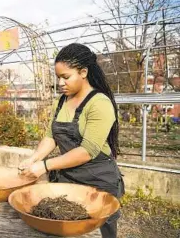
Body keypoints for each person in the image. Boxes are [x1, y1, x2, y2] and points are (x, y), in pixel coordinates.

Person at [19, 43, 125, 238]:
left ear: (83, 72)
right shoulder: (61, 102)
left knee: (100, 232)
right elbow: (52, 136)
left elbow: (87, 151)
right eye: (58, 77)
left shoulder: (99, 103)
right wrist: (34, 158)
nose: (60, 83)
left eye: (65, 77)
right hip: (68, 180)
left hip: (98, 184)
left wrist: (44, 165)